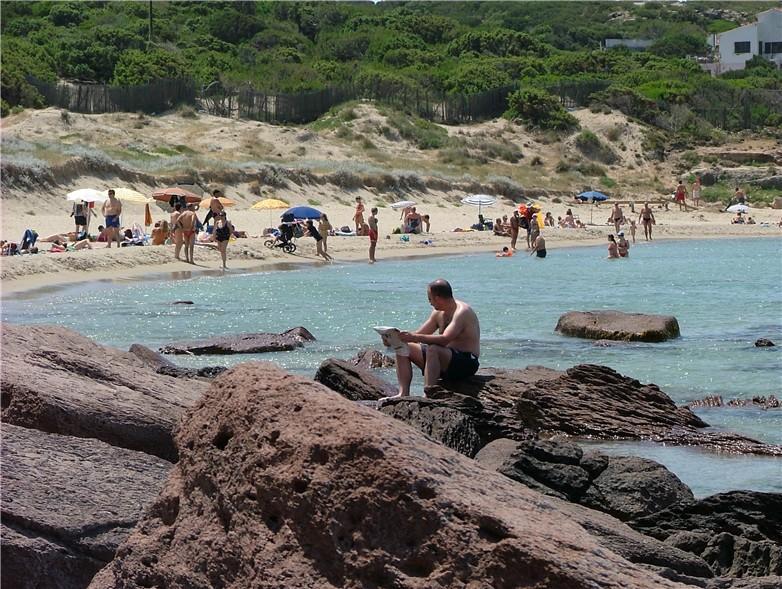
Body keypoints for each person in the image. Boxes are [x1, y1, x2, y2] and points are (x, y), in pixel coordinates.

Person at [391, 279, 480, 398]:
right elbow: (418, 335)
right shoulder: (437, 313)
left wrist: (414, 337)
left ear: (437, 298)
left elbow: (444, 339)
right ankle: (403, 392)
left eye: (429, 298)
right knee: (402, 347)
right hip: (444, 360)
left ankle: (428, 395)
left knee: (433, 349)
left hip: (466, 362)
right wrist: (395, 339)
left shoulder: (462, 312)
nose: (430, 303)